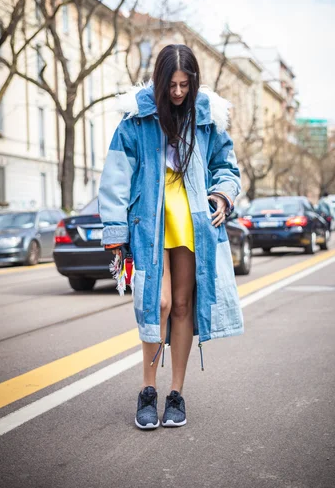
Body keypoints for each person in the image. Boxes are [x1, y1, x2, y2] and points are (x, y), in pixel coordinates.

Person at [98, 44, 243, 430]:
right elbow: (115, 179)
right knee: (156, 303)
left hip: (194, 223)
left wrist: (222, 194)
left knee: (182, 305)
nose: (178, 92)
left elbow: (227, 168)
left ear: (193, 83)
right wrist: (114, 231)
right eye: (172, 85)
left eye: (185, 85)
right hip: (151, 223)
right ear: (159, 82)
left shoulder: (208, 121)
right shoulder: (136, 121)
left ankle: (175, 392)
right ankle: (148, 390)